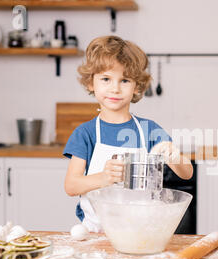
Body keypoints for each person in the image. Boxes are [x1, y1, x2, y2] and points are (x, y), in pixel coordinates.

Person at [63, 35, 193, 232]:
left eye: (124, 80)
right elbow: (71, 186)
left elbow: (187, 173)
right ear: (91, 83)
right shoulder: (85, 133)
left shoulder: (149, 130)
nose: (115, 88)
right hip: (95, 235)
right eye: (106, 79)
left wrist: (174, 157)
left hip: (141, 232)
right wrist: (104, 177)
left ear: (137, 87)